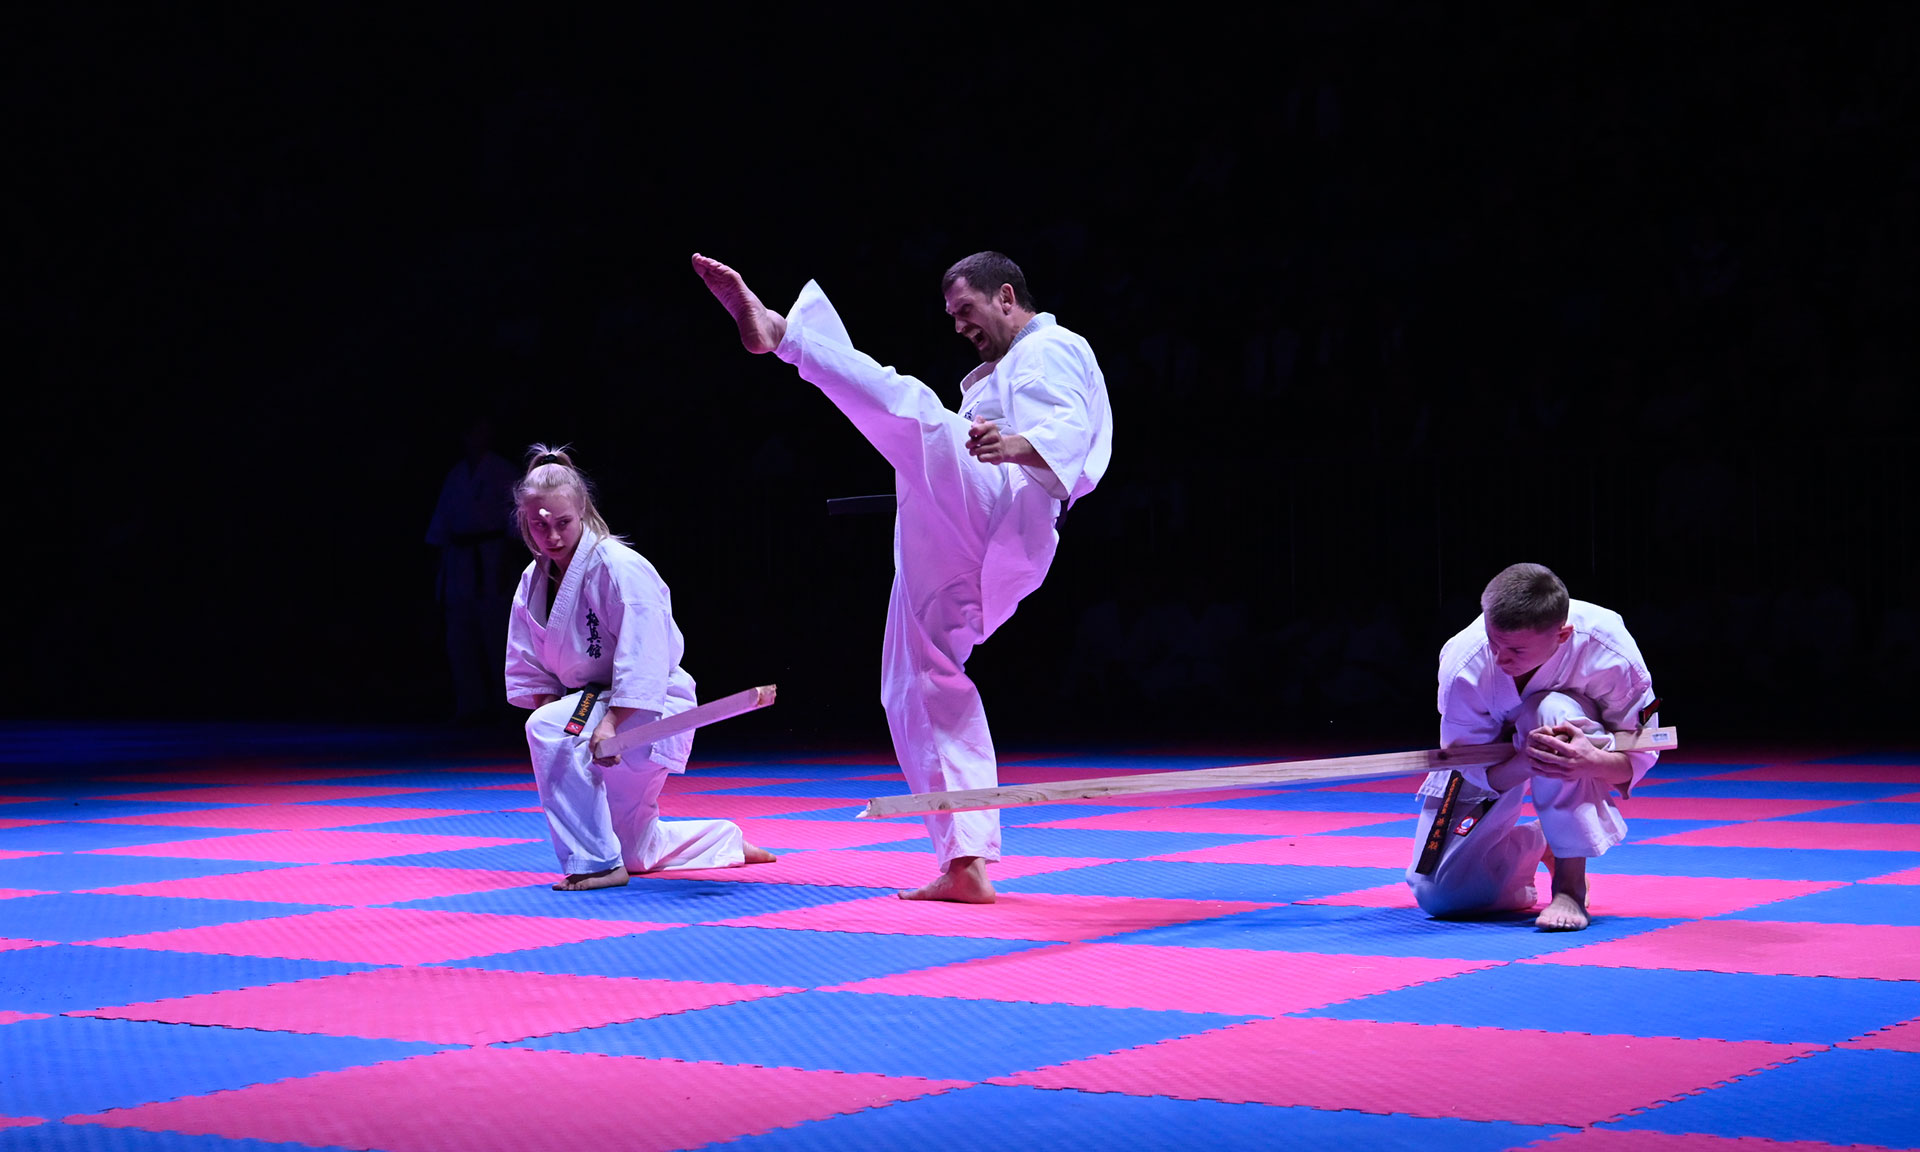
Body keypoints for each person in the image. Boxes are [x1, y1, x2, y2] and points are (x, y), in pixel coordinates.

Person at [693, 252, 1113, 903]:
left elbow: (1067, 428)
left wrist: (1013, 446)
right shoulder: (1001, 370)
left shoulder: (1049, 346)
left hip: (1010, 504)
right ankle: (965, 861)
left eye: (966, 310)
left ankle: (784, 335)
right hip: (976, 531)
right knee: (914, 680)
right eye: (951, 316)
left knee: (918, 414)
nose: (959, 326)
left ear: (1006, 297)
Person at [503, 446, 774, 890]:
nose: (551, 536)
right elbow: (530, 668)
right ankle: (723, 842)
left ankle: (596, 864)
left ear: (583, 510)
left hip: (649, 705)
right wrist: (565, 716)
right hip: (591, 706)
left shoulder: (619, 567)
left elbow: (645, 656)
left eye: (562, 523)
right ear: (524, 520)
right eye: (539, 525)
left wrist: (611, 722)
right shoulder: (532, 581)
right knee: (634, 850)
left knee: (548, 729)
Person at [1407, 563, 1659, 930]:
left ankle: (1569, 886)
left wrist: (1590, 761)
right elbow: (1471, 768)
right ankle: (1541, 843)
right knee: (1442, 895)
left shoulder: (1608, 648)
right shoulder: (1464, 663)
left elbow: (1638, 752)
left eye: (1515, 649)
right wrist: (1526, 761)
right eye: (1493, 642)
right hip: (1496, 761)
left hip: (1575, 736)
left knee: (1552, 714)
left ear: (1562, 635)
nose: (1499, 658)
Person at [424, 417, 518, 722]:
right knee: (459, 636)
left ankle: (506, 705)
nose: (476, 438)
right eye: (471, 433)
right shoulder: (456, 475)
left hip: (493, 557)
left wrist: (506, 561)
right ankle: (470, 705)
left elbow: (516, 521)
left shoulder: (503, 470)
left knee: (496, 634)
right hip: (460, 560)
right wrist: (440, 567)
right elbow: (441, 525)